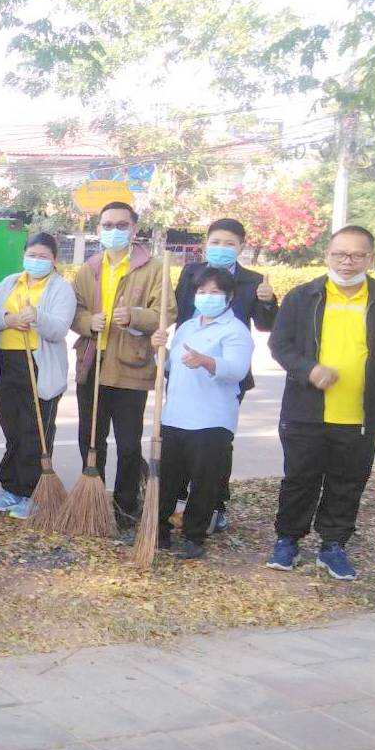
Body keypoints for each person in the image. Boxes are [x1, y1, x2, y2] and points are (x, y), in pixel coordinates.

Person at [267, 226, 375, 580]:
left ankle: (333, 545)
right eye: (340, 254)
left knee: (348, 482)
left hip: (360, 414)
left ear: (370, 258)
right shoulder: (303, 296)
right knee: (299, 479)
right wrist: (309, 370)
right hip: (306, 410)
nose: (348, 262)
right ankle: (287, 540)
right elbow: (280, 345)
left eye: (357, 255)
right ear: (327, 255)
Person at [172, 217, 278, 532]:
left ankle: (215, 504)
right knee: (179, 439)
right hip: (185, 366)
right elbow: (177, 312)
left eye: (229, 243)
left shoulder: (253, 281)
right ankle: (178, 502)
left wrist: (268, 302)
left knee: (216, 442)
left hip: (226, 369)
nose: (221, 248)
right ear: (206, 244)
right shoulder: (191, 273)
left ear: (241, 247)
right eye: (216, 242)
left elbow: (265, 324)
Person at [70, 202, 170, 526]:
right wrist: (88, 322)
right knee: (90, 440)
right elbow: (74, 310)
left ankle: (126, 505)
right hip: (92, 364)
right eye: (108, 225)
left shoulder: (153, 269)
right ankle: (93, 503)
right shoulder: (89, 268)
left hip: (131, 366)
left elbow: (165, 312)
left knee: (128, 443)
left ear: (134, 229)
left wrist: (134, 317)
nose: (114, 231)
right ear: (98, 229)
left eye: (121, 225)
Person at [149, 267, 254, 559]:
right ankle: (158, 530)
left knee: (204, 481)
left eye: (215, 292)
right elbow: (168, 367)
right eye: (202, 291)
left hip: (211, 419)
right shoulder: (187, 327)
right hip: (176, 415)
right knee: (168, 478)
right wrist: (158, 350)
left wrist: (206, 361)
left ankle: (194, 535)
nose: (207, 297)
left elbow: (236, 370)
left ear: (229, 297)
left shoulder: (235, 331)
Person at [0, 233, 76, 519]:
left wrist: (36, 316)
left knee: (35, 431)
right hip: (9, 363)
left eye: (43, 256)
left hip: (39, 365)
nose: (36, 261)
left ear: (54, 260)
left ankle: (33, 493)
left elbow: (59, 329)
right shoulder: (11, 282)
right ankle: (11, 488)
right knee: (12, 428)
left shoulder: (61, 289)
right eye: (32, 255)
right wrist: (9, 319)